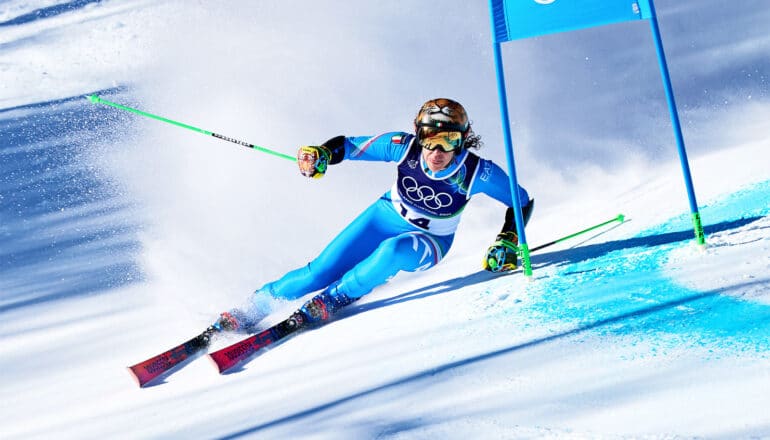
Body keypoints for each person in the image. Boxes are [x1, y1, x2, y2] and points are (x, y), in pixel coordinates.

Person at [215, 98, 533, 332]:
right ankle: (249, 310)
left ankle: (334, 299)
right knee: (318, 271)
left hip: (431, 239)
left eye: (448, 140)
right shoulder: (402, 147)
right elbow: (348, 147)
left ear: (462, 140)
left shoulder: (479, 172)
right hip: (384, 216)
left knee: (391, 252)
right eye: (430, 139)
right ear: (418, 136)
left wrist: (508, 239)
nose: (437, 152)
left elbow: (521, 202)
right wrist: (320, 154)